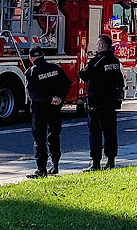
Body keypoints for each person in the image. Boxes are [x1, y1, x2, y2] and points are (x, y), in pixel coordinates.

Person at [24, 46, 72, 178]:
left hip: (40, 110)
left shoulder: (32, 72)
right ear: (43, 55)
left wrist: (49, 99)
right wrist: (59, 98)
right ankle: (55, 165)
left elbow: (33, 94)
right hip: (55, 109)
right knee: (54, 136)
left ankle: (41, 169)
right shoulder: (55, 68)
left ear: (31, 58)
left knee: (39, 139)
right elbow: (67, 83)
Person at [79, 34, 125, 171]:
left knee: (95, 133)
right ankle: (111, 161)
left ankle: (95, 163)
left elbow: (84, 76)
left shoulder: (97, 61)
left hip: (97, 102)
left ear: (101, 45)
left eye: (98, 44)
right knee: (110, 132)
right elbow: (119, 80)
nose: (96, 47)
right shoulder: (115, 60)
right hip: (110, 101)